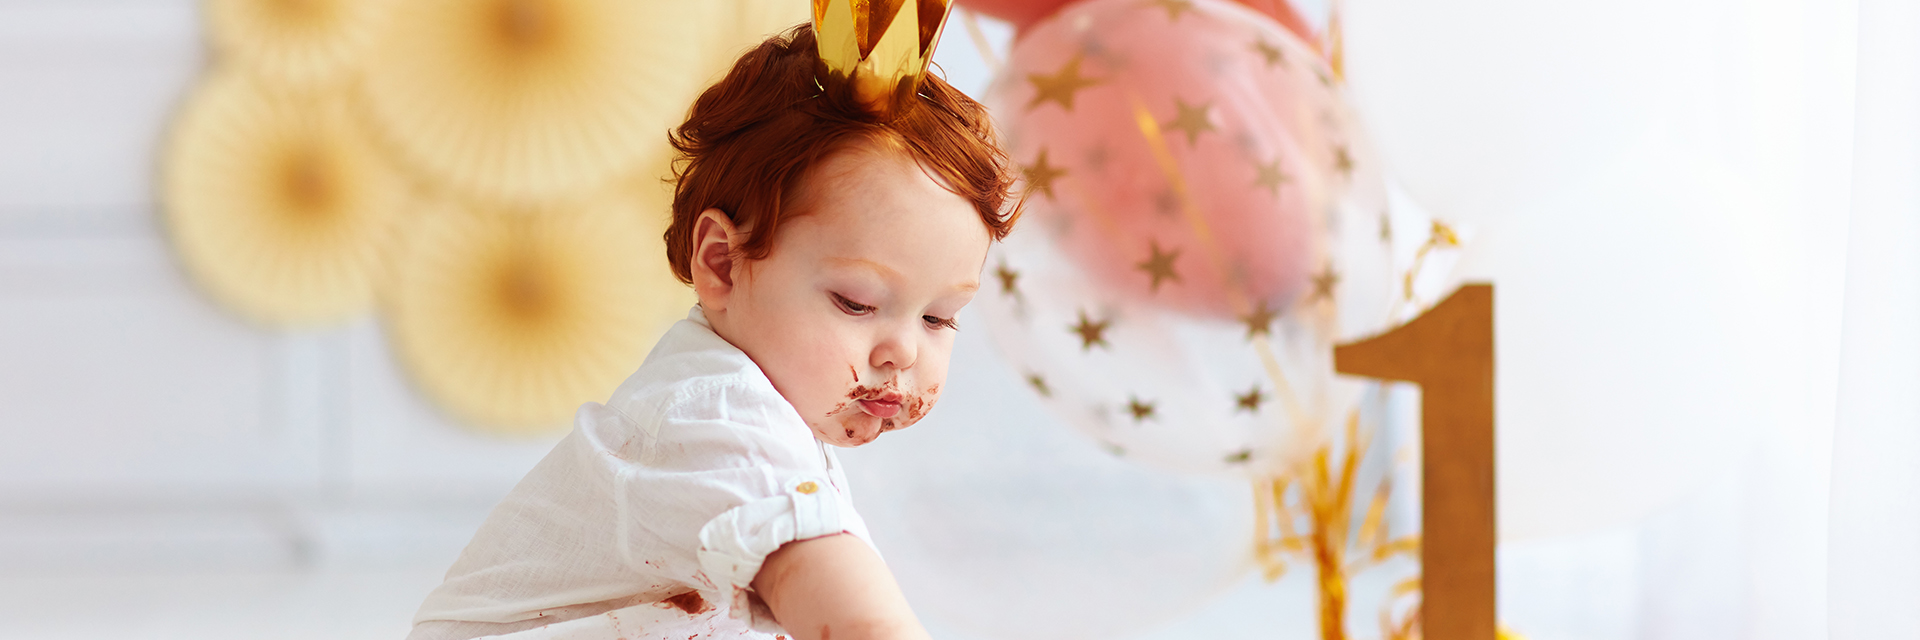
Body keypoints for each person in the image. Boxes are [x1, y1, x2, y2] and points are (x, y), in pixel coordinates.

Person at [404, 17, 1020, 640]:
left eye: (939, 316)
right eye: (856, 302)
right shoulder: (717, 418)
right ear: (722, 263)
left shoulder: (753, 410)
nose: (904, 351)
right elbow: (849, 614)